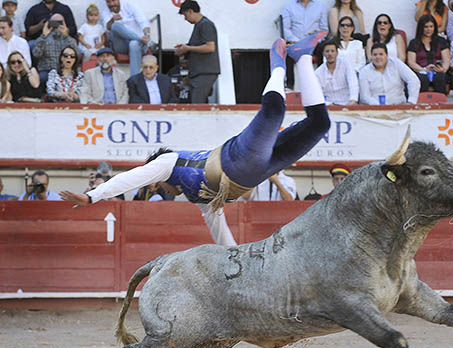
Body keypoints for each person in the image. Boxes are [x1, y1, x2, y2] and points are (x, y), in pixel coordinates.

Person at [60, 32, 330, 247]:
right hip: (261, 169)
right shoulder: (198, 198)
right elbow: (220, 232)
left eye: (158, 186)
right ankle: (304, 58)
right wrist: (234, 257)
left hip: (236, 158)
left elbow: (132, 177)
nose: (163, 191)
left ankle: (279, 64)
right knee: (320, 124)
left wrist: (93, 196)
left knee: (273, 111)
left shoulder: (168, 162)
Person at [175, 0, 220, 104]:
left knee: (197, 105)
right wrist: (184, 50)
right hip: (199, 73)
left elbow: (210, 47)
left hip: (204, 73)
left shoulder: (205, 24)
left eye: (185, 15)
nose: (185, 19)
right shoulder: (200, 25)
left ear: (190, 11)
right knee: (199, 103)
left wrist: (188, 48)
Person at [101, 0, 155, 75]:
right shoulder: (105, 12)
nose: (112, 4)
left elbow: (143, 21)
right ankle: (145, 40)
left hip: (138, 45)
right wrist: (112, 20)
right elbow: (107, 28)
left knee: (133, 44)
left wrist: (147, 35)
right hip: (121, 45)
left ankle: (133, 80)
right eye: (108, 2)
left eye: (114, 1)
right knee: (115, 25)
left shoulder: (130, 5)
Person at [282, 0, 327, 89]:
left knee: (323, 49)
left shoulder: (320, 6)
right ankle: (290, 85)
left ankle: (321, 83)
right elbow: (286, 29)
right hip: (295, 42)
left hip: (314, 43)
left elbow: (324, 29)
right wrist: (298, 42)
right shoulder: (289, 6)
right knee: (287, 51)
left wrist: (315, 40)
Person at [407, 14, 450, 93]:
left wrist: (443, 69)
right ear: (421, 28)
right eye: (426, 27)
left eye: (431, 26)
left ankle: (441, 103)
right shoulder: (414, 42)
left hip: (437, 71)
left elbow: (446, 60)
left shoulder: (441, 41)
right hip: (420, 71)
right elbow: (411, 62)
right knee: (422, 79)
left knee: (440, 78)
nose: (429, 29)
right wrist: (423, 70)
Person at [32, 12, 78, 84]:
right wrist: (44, 36)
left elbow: (77, 55)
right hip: (46, 70)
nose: (57, 25)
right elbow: (36, 54)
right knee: (42, 78)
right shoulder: (43, 38)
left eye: (60, 22)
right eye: (54, 22)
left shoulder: (69, 40)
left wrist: (66, 35)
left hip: (64, 70)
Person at [315, 39, 358, 105]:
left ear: (337, 53)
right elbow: (317, 93)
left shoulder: (346, 64)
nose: (330, 54)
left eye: (332, 51)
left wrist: (353, 100)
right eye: (327, 51)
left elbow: (353, 83)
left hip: (347, 103)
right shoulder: (318, 72)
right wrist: (327, 104)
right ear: (323, 53)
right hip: (328, 105)